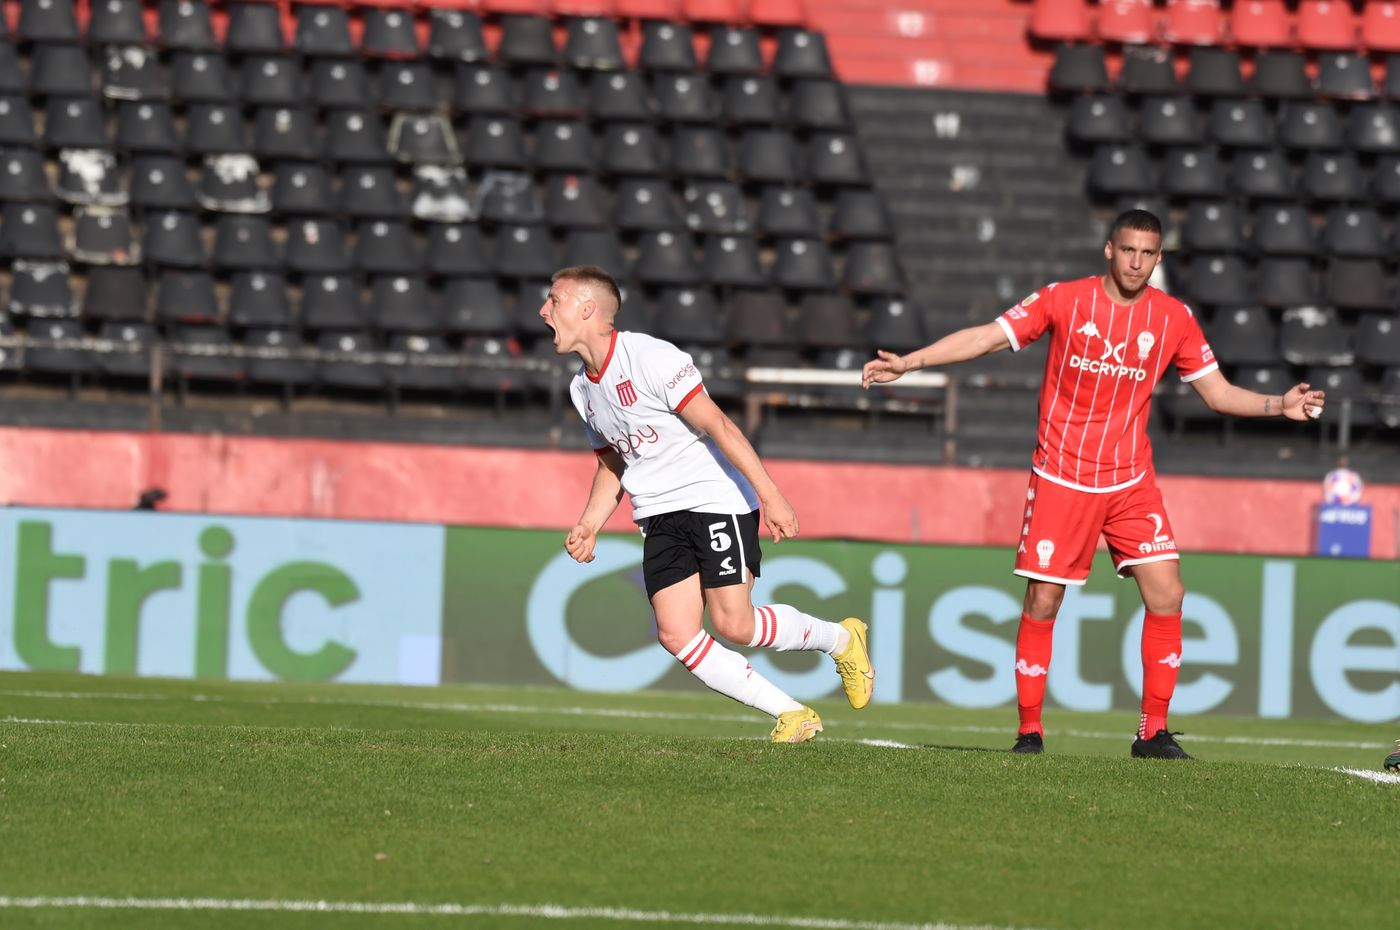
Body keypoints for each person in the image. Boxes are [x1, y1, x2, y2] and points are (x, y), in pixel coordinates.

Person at [862, 209, 1326, 759]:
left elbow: (1219, 394)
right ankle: (1029, 731)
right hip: (1062, 474)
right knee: (1042, 602)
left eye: (1147, 254)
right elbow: (989, 337)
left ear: (1158, 259)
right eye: (1128, 250)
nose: (1137, 262)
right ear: (1109, 250)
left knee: (1168, 593)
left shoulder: (1174, 318)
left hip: (1131, 480)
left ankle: (1152, 732)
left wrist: (1280, 405)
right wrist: (910, 363)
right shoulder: (1064, 299)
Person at [542, 264, 874, 743]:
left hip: (713, 498)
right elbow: (613, 461)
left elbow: (718, 424)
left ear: (587, 308)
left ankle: (842, 639)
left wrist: (771, 494)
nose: (543, 310)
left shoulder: (650, 357)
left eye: (554, 300)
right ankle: (793, 713)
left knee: (733, 623)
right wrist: (590, 524)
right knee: (676, 634)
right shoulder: (581, 389)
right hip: (657, 515)